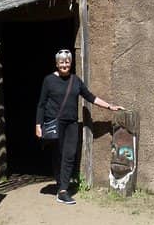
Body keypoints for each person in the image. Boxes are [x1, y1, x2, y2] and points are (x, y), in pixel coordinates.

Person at [35, 48, 124, 204]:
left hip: (71, 123)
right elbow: (41, 104)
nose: (64, 64)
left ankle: (63, 190)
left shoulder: (75, 81)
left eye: (67, 62)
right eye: (61, 62)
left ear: (71, 63)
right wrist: (38, 125)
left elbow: (90, 97)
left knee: (69, 154)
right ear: (57, 64)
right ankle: (60, 183)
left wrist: (110, 106)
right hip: (55, 123)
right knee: (58, 154)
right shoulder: (49, 80)